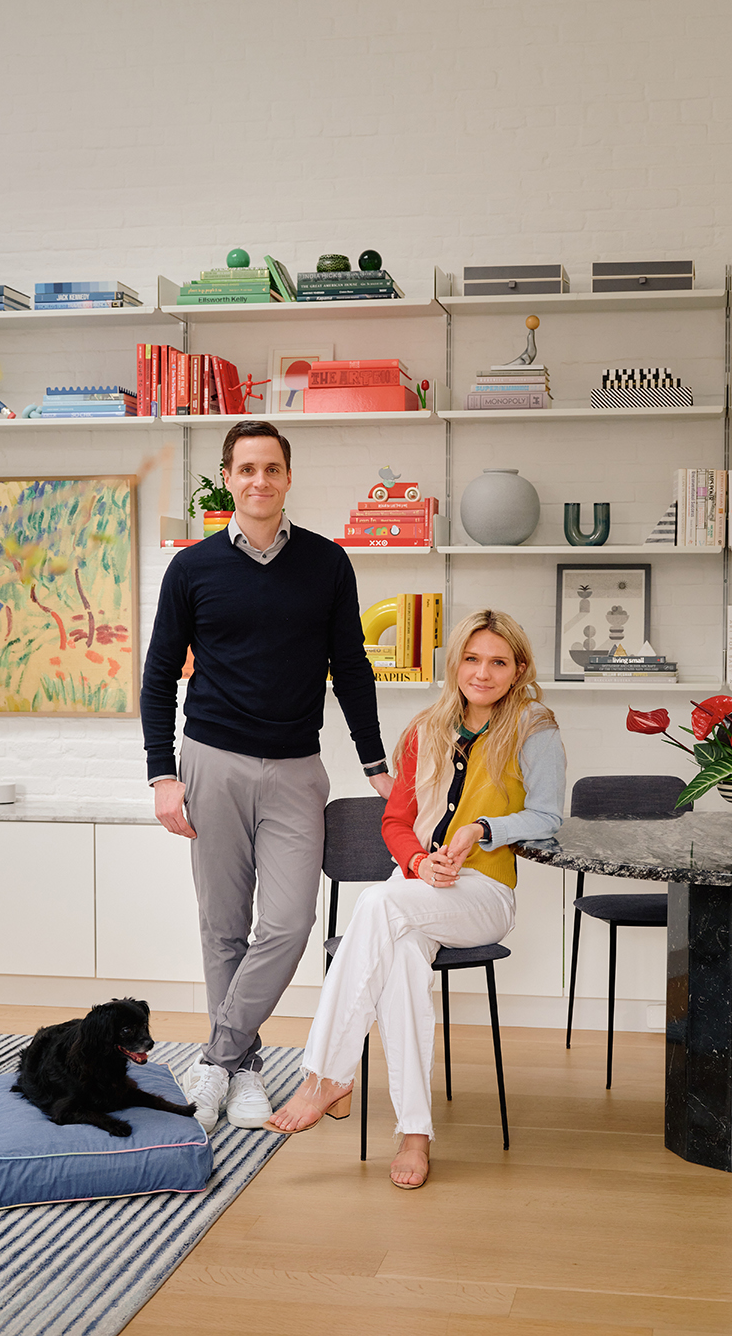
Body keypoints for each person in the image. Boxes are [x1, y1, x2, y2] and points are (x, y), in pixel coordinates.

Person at [139, 419, 393, 1133]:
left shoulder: (327, 564)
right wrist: (163, 775)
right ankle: (245, 1073)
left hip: (295, 769)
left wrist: (375, 764)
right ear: (228, 478)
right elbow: (159, 679)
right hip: (210, 763)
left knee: (287, 923)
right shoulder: (191, 568)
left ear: (288, 477)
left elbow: (353, 670)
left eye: (271, 469)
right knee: (222, 927)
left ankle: (216, 1059)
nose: (258, 481)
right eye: (245, 469)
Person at [263, 609, 566, 1189]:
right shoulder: (424, 729)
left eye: (498, 662)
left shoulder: (535, 727)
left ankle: (327, 1075)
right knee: (398, 956)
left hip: (484, 894)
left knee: (378, 905)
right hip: (418, 888)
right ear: (454, 664)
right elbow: (396, 820)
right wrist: (420, 861)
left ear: (518, 669)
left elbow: (548, 816)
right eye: (472, 659)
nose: (483, 673)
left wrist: (480, 829)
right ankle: (415, 1134)